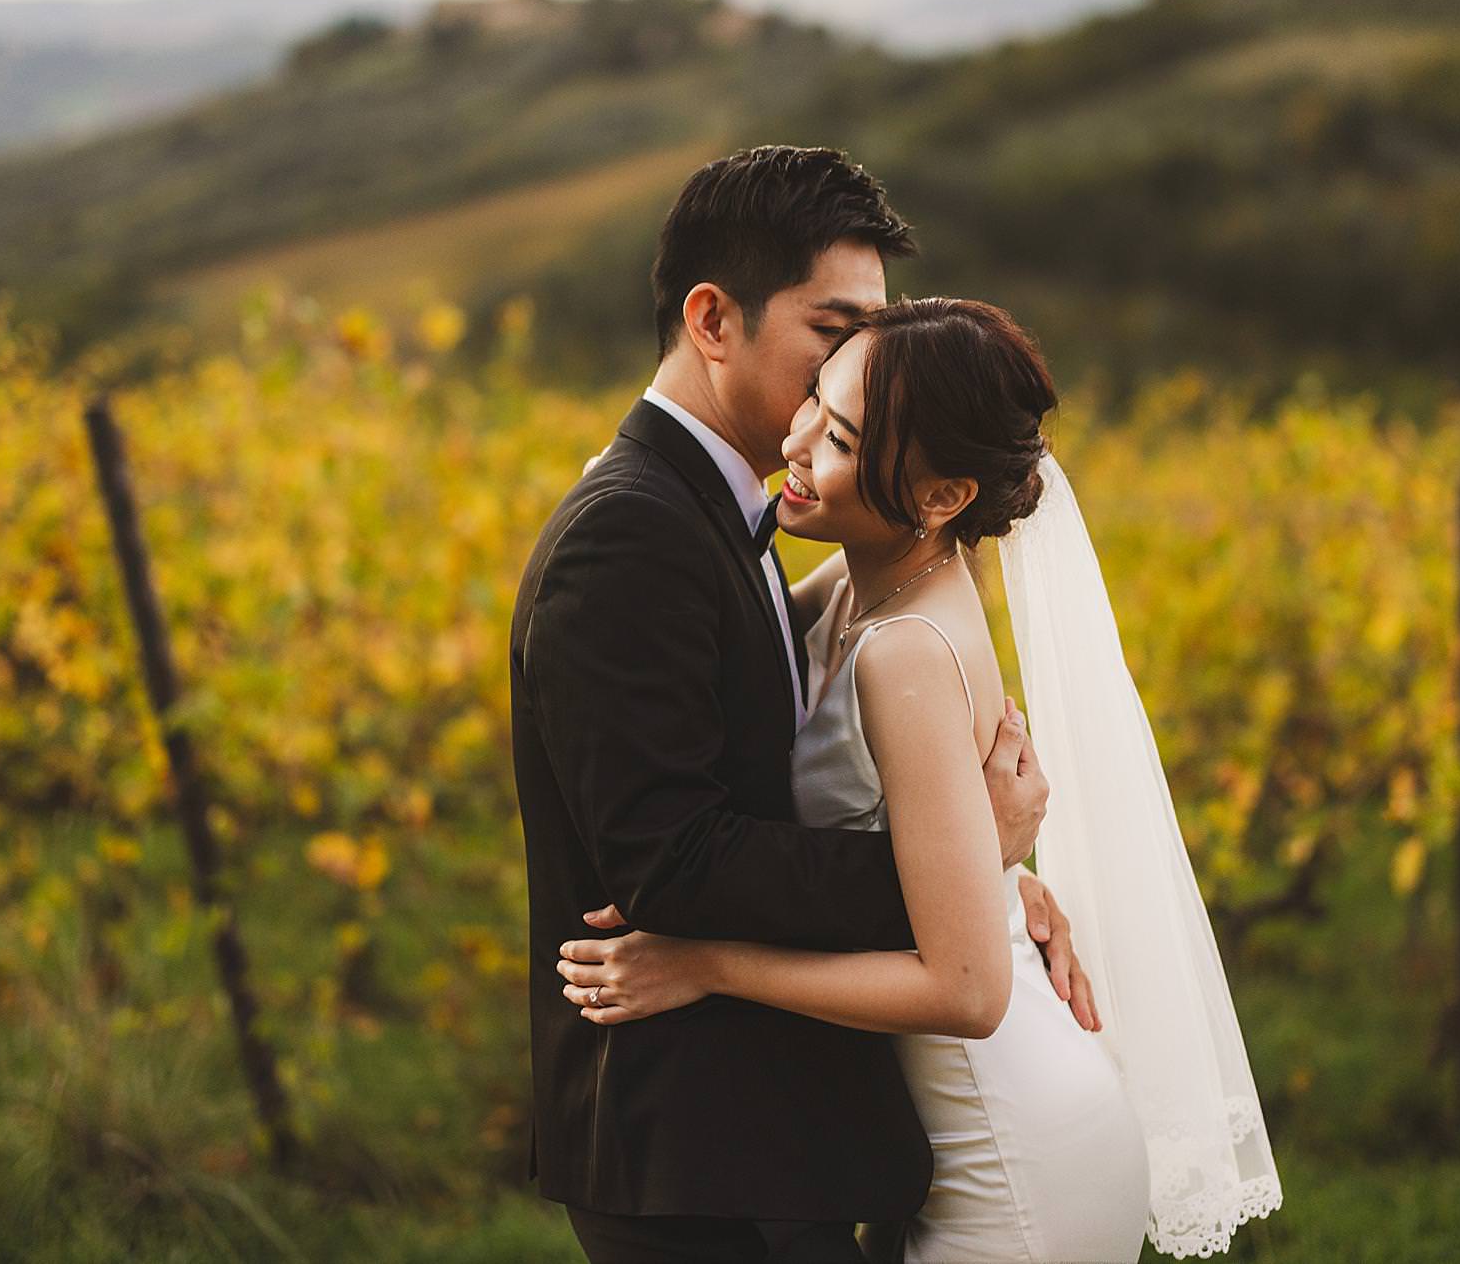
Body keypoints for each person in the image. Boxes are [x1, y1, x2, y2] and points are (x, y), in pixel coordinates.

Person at [556, 298, 1285, 1262]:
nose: (799, 439)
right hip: (996, 1127)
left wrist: (703, 964)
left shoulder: (901, 649)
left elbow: (970, 989)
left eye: (844, 437)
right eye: (816, 398)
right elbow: (717, 585)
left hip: (1012, 1155)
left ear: (941, 498)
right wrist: (992, 867)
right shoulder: (865, 584)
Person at [508, 147, 1098, 1264]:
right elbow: (671, 861)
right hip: (694, 1146)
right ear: (713, 319)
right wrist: (966, 871)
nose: (864, 361)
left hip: (765, 1134)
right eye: (834, 332)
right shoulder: (629, 533)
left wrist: (989, 874)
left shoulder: (751, 518)